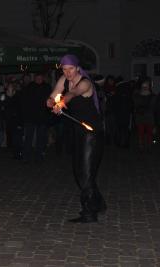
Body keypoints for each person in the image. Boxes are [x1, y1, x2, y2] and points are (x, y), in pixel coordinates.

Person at [47, 54, 106, 223]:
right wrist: (51, 102)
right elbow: (53, 95)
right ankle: (98, 203)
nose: (68, 73)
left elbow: (72, 94)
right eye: (64, 69)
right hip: (78, 131)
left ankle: (89, 212)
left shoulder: (85, 83)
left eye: (71, 69)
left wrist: (61, 102)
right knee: (78, 171)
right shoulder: (63, 79)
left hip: (92, 132)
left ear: (77, 68)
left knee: (86, 174)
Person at [133, 80, 156, 152]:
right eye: (143, 86)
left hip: (149, 117)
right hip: (140, 117)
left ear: (149, 87)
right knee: (140, 133)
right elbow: (135, 105)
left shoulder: (153, 96)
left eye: (146, 86)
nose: (145, 87)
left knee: (149, 133)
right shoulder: (137, 95)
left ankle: (149, 146)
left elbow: (154, 108)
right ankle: (141, 146)